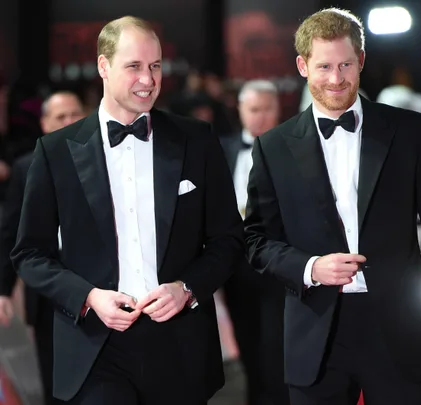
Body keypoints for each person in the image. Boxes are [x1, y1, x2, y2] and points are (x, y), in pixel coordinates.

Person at [244, 7, 421, 405]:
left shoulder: (411, 131)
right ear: (302, 66)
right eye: (323, 67)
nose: (336, 79)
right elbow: (255, 241)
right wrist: (309, 267)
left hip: (401, 330)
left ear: (362, 61)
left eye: (345, 65)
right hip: (316, 333)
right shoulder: (273, 146)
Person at [11, 16, 243, 405]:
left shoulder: (196, 141)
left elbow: (228, 240)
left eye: (155, 66)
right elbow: (30, 253)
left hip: (179, 344)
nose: (148, 80)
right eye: (133, 66)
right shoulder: (56, 151)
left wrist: (186, 289)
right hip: (96, 347)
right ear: (104, 66)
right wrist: (88, 297)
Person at [0, 90, 85, 404]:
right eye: (60, 117)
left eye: (74, 114)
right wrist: (3, 289)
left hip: (100, 285)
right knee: (55, 382)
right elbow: (11, 231)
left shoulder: (105, 157)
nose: (68, 122)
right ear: (44, 122)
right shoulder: (26, 167)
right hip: (47, 291)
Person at [220, 80, 289, 405]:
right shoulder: (222, 149)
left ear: (279, 109)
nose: (261, 116)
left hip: (281, 267)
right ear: (240, 111)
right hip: (236, 268)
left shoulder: (295, 148)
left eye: (267, 108)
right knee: (247, 346)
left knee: (278, 350)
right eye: (254, 109)